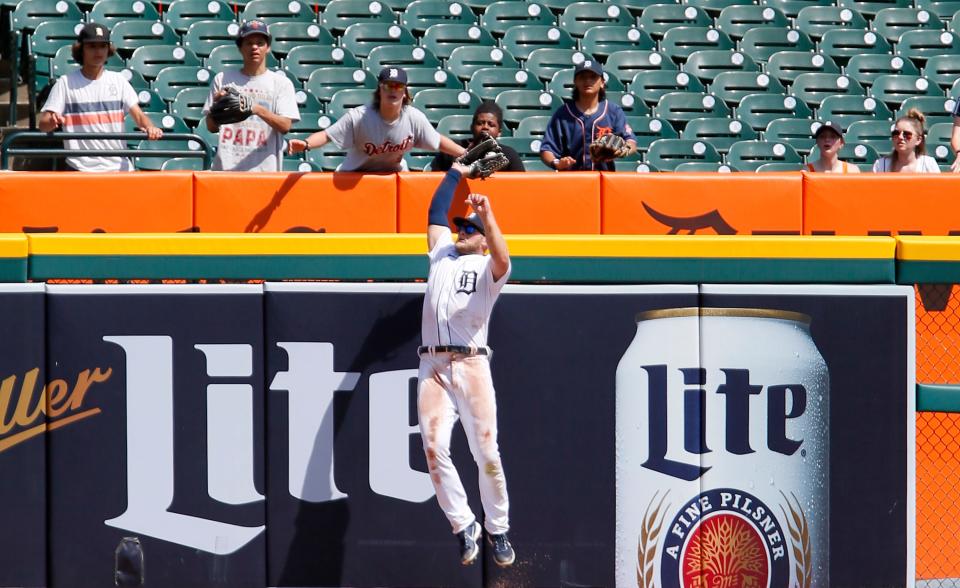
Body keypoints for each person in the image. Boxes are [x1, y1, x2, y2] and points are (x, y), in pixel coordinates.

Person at [417, 162, 515, 568]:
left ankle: (499, 527)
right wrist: (455, 173)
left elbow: (504, 256)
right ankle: (464, 526)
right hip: (433, 366)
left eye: (470, 230)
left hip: (472, 364)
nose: (463, 232)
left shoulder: (487, 268)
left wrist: (487, 216)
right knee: (434, 448)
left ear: (483, 240)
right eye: (463, 227)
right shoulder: (441, 253)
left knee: (486, 452)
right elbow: (435, 213)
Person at [288, 67, 466, 171]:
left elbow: (438, 141)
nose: (393, 90)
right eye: (388, 86)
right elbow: (327, 136)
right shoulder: (360, 117)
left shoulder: (413, 117)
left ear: (405, 93)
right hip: (354, 175)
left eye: (398, 86)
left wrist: (466, 155)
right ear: (380, 90)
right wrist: (306, 144)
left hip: (392, 175)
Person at [39, 22, 162, 172]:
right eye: (92, 46)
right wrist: (52, 121)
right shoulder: (65, 83)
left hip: (119, 169)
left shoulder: (119, 80)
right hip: (81, 170)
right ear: (81, 49)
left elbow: (139, 115)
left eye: (102, 46)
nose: (98, 51)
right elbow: (43, 124)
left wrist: (150, 127)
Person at [202, 19, 300, 171]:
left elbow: (285, 126)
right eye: (249, 43)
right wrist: (216, 110)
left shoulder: (281, 83)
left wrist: (256, 109)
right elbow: (211, 127)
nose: (254, 47)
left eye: (260, 43)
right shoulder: (223, 79)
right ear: (240, 48)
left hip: (264, 171)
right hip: (227, 169)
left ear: (268, 48)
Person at [539, 60, 637, 171]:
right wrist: (557, 163)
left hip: (603, 179)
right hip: (571, 180)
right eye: (582, 77)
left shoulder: (613, 111)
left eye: (593, 77)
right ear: (575, 81)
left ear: (602, 83)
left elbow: (631, 141)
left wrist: (625, 149)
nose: (587, 81)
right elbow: (546, 149)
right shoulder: (563, 114)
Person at [430, 101, 524, 172]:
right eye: (480, 123)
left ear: (499, 132)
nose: (485, 127)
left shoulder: (509, 155)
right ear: (471, 127)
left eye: (491, 124)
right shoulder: (451, 151)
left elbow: (521, 186)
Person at [873, 108, 940, 173]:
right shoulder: (880, 165)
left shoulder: (928, 164)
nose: (900, 137)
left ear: (918, 140)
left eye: (907, 134)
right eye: (896, 133)